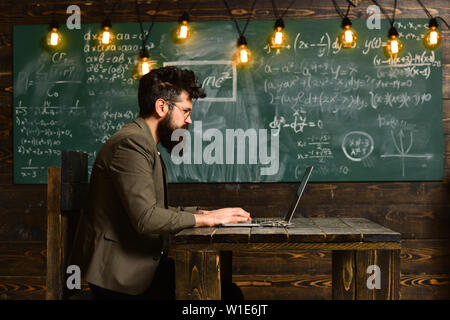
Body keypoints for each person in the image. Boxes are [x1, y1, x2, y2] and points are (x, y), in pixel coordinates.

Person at [69, 66, 251, 300]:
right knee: (227, 296)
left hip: (139, 266)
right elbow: (147, 218)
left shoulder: (143, 142)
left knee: (227, 291)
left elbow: (152, 210)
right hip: (122, 278)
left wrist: (204, 213)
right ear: (161, 107)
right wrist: (207, 219)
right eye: (186, 111)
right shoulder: (131, 144)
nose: (189, 120)